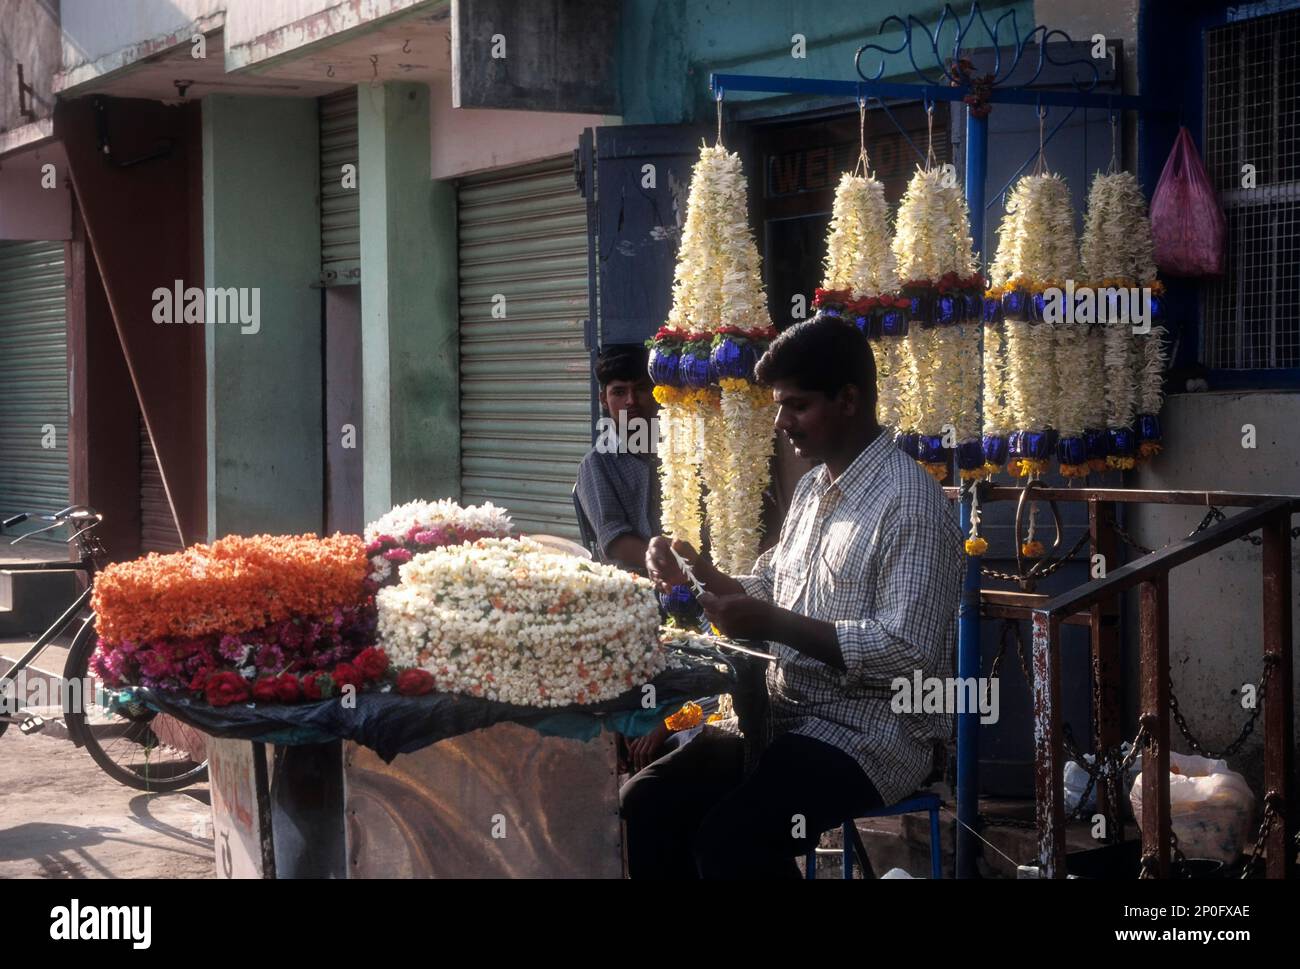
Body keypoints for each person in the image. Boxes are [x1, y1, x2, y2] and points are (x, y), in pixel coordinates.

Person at [622, 313, 963, 879]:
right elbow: (764, 587)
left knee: (731, 839)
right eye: (780, 406)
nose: (782, 422)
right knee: (647, 803)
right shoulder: (812, 489)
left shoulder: (911, 503)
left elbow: (910, 654)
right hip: (782, 718)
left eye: (797, 406)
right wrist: (692, 569)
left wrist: (773, 623)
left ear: (849, 400)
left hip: (872, 735)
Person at [575, 344, 661, 573]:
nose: (631, 400)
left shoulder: (676, 449)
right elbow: (615, 540)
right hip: (636, 583)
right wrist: (676, 568)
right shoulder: (597, 464)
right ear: (604, 399)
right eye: (620, 392)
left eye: (641, 389)